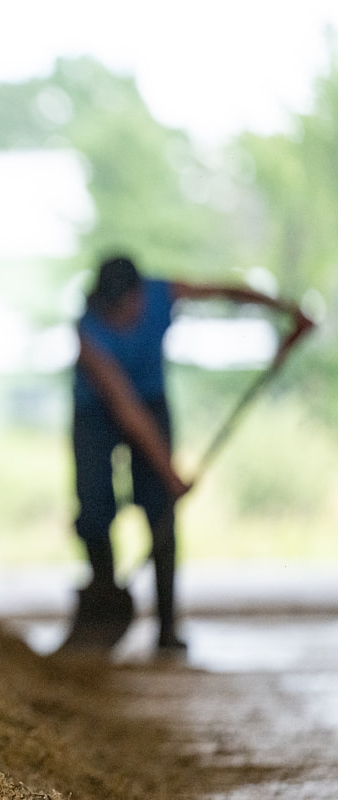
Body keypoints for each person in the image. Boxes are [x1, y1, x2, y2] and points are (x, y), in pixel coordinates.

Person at [62, 254, 312, 656]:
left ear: (139, 295)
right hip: (97, 411)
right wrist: (171, 471)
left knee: (160, 505)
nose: (120, 318)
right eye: (112, 311)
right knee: (93, 506)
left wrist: (287, 311)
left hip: (151, 399)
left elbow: (229, 292)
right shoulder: (88, 331)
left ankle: (167, 626)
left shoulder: (164, 293)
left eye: (126, 307)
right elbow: (126, 411)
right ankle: (105, 599)